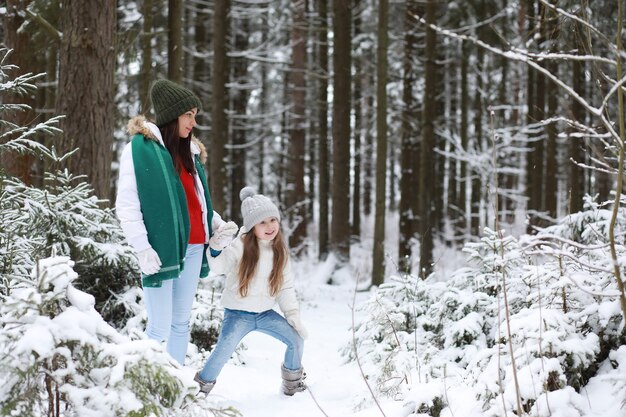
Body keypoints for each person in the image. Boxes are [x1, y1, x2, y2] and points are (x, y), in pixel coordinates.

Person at [115, 79, 238, 365]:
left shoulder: (190, 153)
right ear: (173, 115)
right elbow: (127, 206)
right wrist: (142, 248)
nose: (194, 122)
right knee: (158, 326)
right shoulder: (139, 150)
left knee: (180, 324)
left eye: (195, 115)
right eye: (189, 115)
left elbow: (196, 203)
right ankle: (145, 387)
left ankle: (177, 388)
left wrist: (216, 226)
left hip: (195, 246)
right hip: (161, 251)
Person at [194, 186, 307, 396]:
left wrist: (292, 315)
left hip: (264, 313)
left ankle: (293, 384)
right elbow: (218, 267)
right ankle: (199, 390)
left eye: (272, 220)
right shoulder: (240, 245)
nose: (269, 226)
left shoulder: (280, 251)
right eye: (262, 222)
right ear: (252, 226)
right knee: (222, 352)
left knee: (296, 339)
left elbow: (286, 287)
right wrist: (216, 248)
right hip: (237, 314)